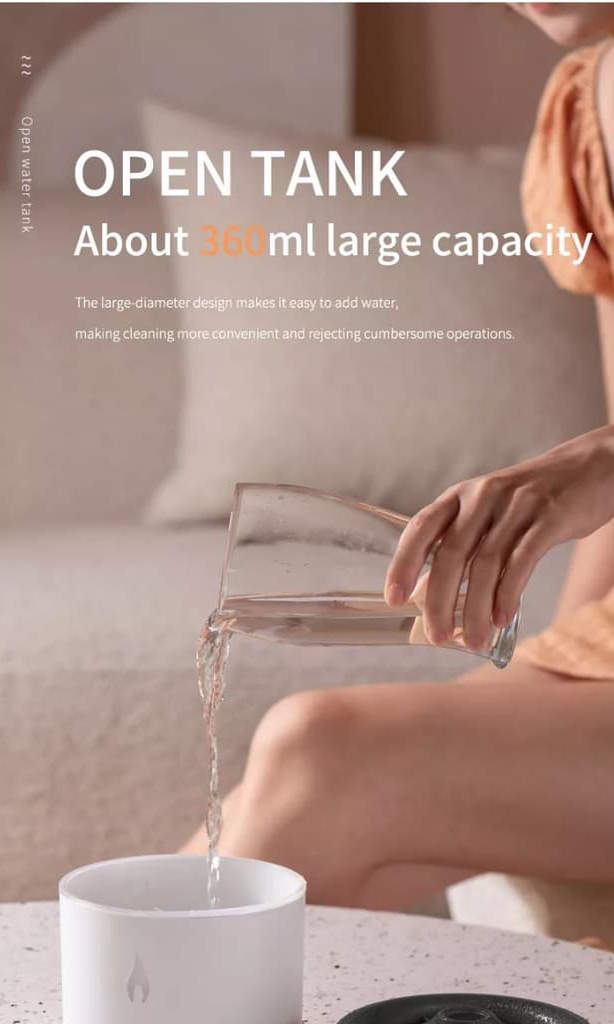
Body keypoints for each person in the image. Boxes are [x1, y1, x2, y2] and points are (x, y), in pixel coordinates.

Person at [185, 3, 614, 938]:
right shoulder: (592, 102)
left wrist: (596, 462)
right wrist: (555, 657)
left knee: (319, 750)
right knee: (251, 816)